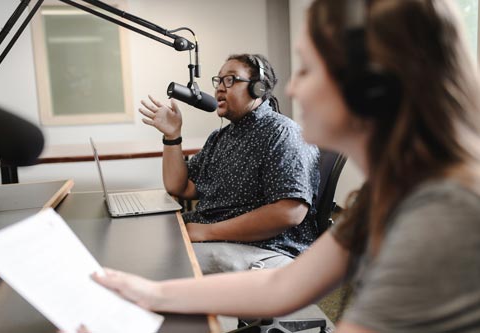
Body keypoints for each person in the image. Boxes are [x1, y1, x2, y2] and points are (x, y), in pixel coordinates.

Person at [91, 0, 480, 332]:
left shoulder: (444, 215)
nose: (291, 89)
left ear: (370, 87)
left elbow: (289, 218)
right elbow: (282, 288)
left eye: (307, 70)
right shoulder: (387, 195)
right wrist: (150, 293)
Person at [139, 54, 320, 274]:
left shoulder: (282, 133)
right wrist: (172, 135)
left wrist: (207, 232)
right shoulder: (220, 137)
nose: (219, 89)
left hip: (262, 248)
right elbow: (182, 187)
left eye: (231, 80)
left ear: (258, 89)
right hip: (220, 240)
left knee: (157, 263)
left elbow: (289, 212)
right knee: (146, 248)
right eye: (219, 80)